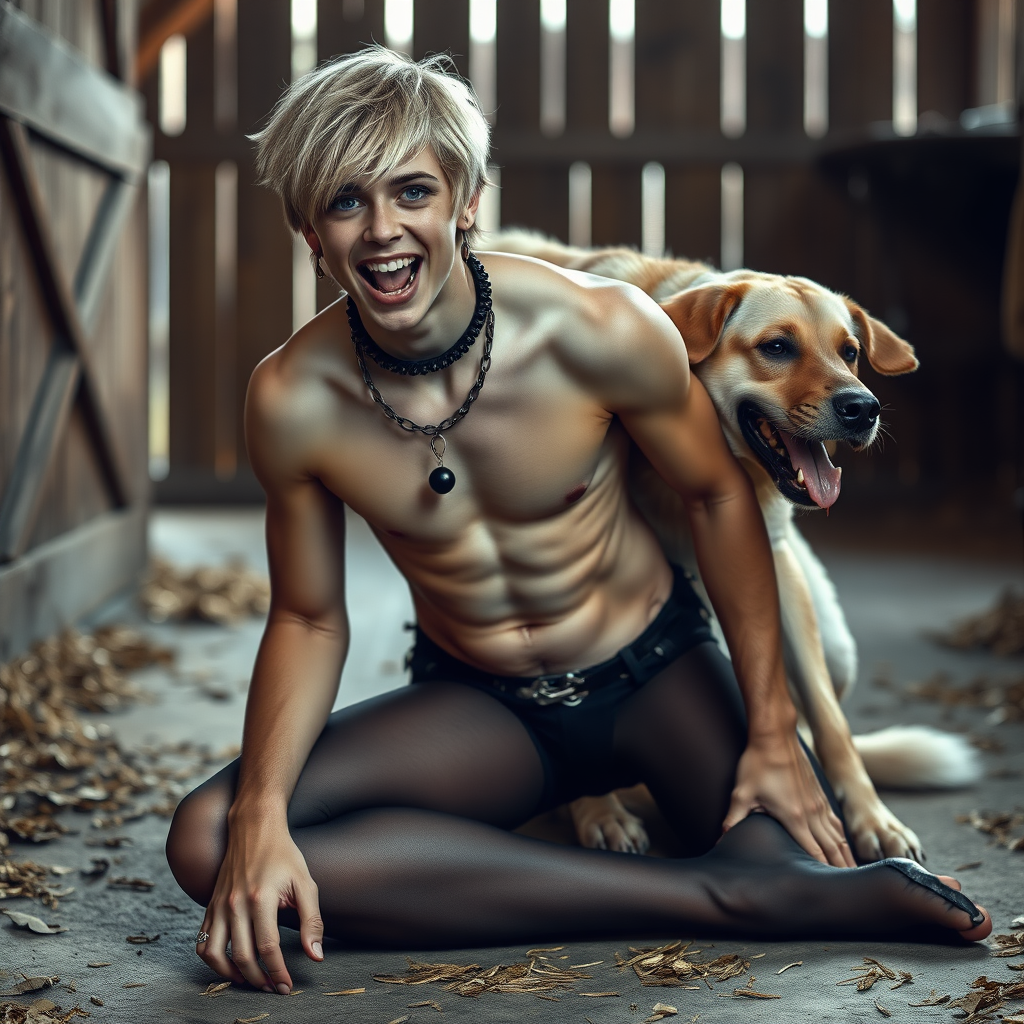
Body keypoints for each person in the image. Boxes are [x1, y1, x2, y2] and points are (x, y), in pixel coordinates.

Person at [165, 45, 989, 997]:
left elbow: (723, 499)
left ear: (466, 200)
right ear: (310, 229)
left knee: (789, 840)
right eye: (347, 202)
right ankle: (721, 900)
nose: (384, 231)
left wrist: (772, 730)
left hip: (656, 683)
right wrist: (265, 809)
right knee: (212, 840)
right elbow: (309, 618)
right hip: (480, 708)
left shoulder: (596, 327)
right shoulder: (292, 398)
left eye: (413, 193)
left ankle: (701, 877)